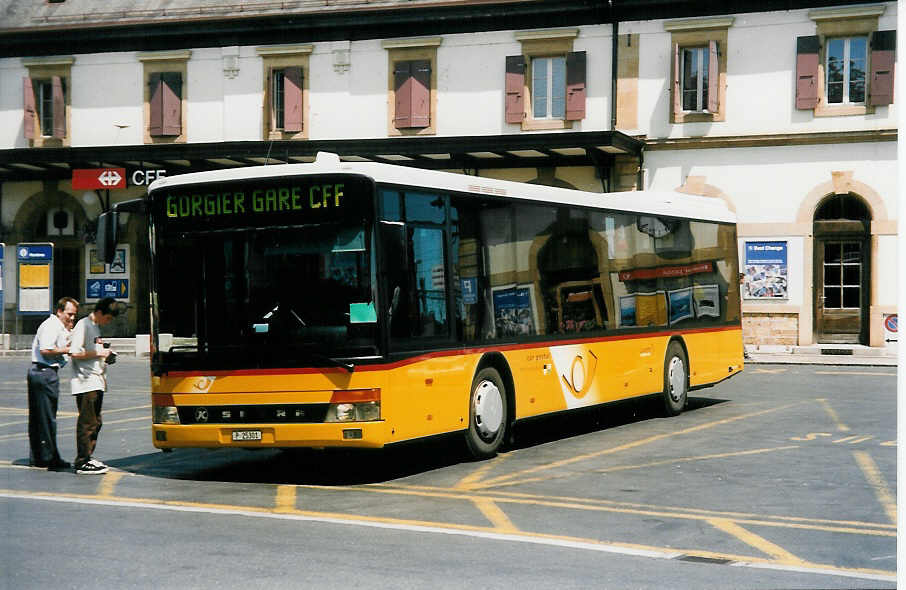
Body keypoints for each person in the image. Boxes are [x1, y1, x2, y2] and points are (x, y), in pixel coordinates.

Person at [27, 296, 79, 471]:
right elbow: (46, 350)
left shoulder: (58, 327)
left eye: (74, 315)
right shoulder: (51, 326)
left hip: (42, 372)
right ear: (59, 311)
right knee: (47, 417)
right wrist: (67, 350)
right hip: (44, 372)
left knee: (39, 418)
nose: (71, 318)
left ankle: (40, 456)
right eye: (69, 314)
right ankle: (50, 458)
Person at [68, 297, 118, 475]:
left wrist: (106, 355)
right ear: (99, 312)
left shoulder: (95, 327)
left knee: (96, 422)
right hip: (85, 381)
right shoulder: (83, 325)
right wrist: (99, 352)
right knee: (88, 422)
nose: (108, 322)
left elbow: (94, 351)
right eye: (108, 318)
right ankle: (82, 460)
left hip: (97, 380)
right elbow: (74, 352)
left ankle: (88, 456)